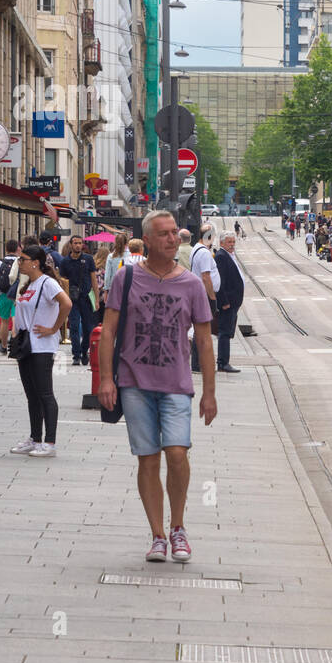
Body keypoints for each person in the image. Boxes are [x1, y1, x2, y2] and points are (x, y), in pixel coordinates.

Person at [99, 210, 217, 562]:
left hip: (176, 383)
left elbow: (206, 342)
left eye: (174, 234)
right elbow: (108, 330)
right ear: (147, 240)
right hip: (134, 382)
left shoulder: (192, 284)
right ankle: (158, 535)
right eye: (164, 234)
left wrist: (209, 392)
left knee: (177, 453)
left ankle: (178, 526)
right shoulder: (127, 278)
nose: (172, 239)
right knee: (148, 459)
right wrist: (107, 378)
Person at [10, 245, 72, 457]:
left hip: (42, 347)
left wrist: (54, 328)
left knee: (45, 393)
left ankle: (50, 442)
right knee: (32, 395)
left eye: (23, 259)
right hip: (26, 345)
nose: (21, 263)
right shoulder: (29, 284)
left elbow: (66, 303)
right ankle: (35, 438)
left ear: (36, 262)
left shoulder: (48, 283)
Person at [58, 236, 98, 366]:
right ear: (70, 245)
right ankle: (76, 355)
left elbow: (94, 280)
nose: (78, 246)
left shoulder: (88, 259)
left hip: (86, 298)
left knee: (88, 328)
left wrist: (97, 299)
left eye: (80, 243)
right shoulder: (65, 262)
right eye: (75, 243)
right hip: (72, 299)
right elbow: (62, 281)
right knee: (74, 326)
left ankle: (84, 350)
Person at [189, 225, 220, 373]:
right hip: (205, 295)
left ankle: (197, 364)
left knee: (200, 330)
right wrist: (212, 298)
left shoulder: (196, 248)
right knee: (202, 331)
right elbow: (206, 276)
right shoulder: (204, 253)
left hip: (199, 293)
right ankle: (198, 364)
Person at [214, 231, 244, 374]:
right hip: (228, 303)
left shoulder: (228, 255)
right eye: (229, 242)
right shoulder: (221, 256)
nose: (232, 245)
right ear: (221, 243)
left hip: (233, 302)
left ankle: (224, 362)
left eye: (233, 242)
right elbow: (220, 281)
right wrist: (223, 301)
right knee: (225, 333)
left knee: (227, 332)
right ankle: (222, 363)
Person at [0, 239, 20, 341]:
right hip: (16, 294)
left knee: (4, 321)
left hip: (3, 294)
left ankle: (4, 345)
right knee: (15, 320)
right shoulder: (20, 261)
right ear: (17, 248)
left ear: (6, 249)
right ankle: (14, 344)